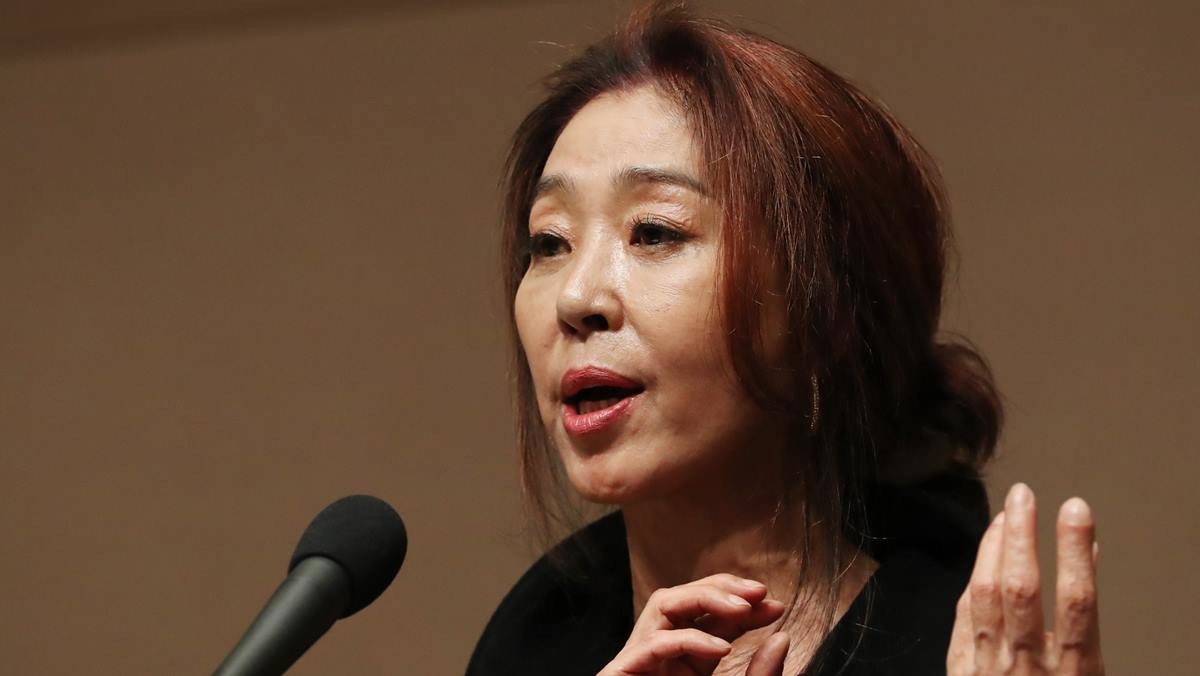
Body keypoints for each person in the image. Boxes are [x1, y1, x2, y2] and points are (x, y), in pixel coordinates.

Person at [467, 3, 1104, 674]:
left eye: (654, 231)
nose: (575, 299)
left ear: (824, 310)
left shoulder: (957, 643)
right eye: (550, 242)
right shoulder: (535, 637)